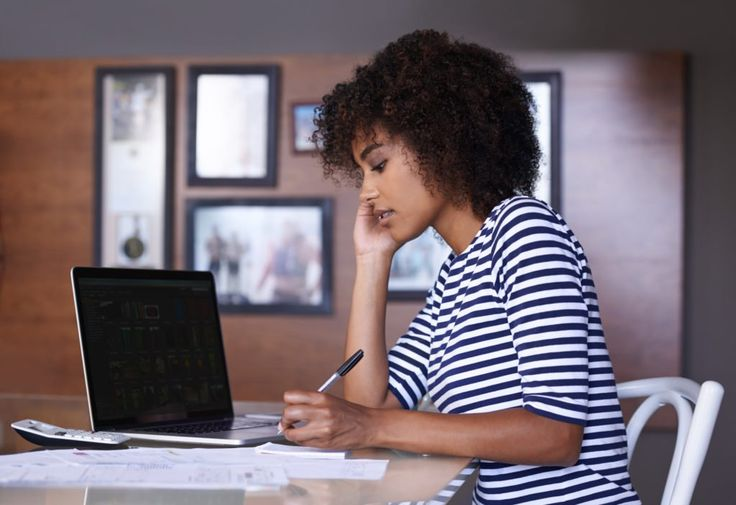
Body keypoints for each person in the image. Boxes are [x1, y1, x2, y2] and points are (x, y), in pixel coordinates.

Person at [278, 30, 641, 505]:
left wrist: (370, 423)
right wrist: (372, 261)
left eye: (379, 165)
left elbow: (555, 436)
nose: (365, 192)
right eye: (362, 174)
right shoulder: (457, 275)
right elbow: (372, 409)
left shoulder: (526, 232)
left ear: (440, 142)